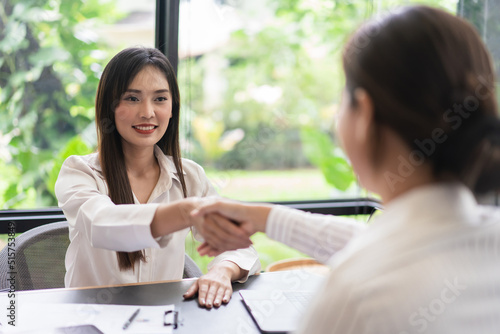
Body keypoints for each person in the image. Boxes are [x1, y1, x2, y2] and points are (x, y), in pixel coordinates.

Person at [191, 6, 500, 333]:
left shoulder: (357, 294)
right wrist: (263, 218)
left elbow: (382, 252)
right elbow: (383, 242)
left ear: (363, 114)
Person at [55, 47, 260, 309]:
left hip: (163, 320)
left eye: (160, 99)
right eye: (132, 98)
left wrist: (222, 271)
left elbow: (238, 246)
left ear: (173, 107)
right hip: (92, 321)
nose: (147, 112)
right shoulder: (80, 172)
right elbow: (101, 224)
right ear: (110, 107)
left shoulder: (190, 176)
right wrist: (183, 213)